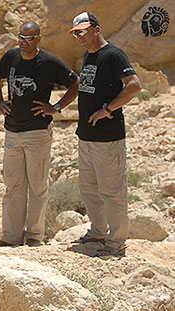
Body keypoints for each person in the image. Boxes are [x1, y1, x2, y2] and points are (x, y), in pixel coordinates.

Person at [0, 21, 80, 247]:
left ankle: (34, 237)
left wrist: (56, 107)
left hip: (37, 132)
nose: (24, 42)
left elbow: (76, 83)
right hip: (12, 131)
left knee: (38, 186)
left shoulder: (48, 62)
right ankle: (11, 238)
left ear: (38, 39)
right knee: (13, 186)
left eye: (29, 38)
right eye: (21, 37)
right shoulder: (11, 57)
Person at [69, 12, 142, 257]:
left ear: (96, 29)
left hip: (108, 137)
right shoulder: (89, 55)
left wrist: (108, 109)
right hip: (87, 135)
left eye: (83, 31)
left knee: (112, 191)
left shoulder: (113, 55)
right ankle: (98, 230)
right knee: (89, 188)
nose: (79, 37)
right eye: (75, 34)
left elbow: (134, 85)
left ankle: (116, 241)